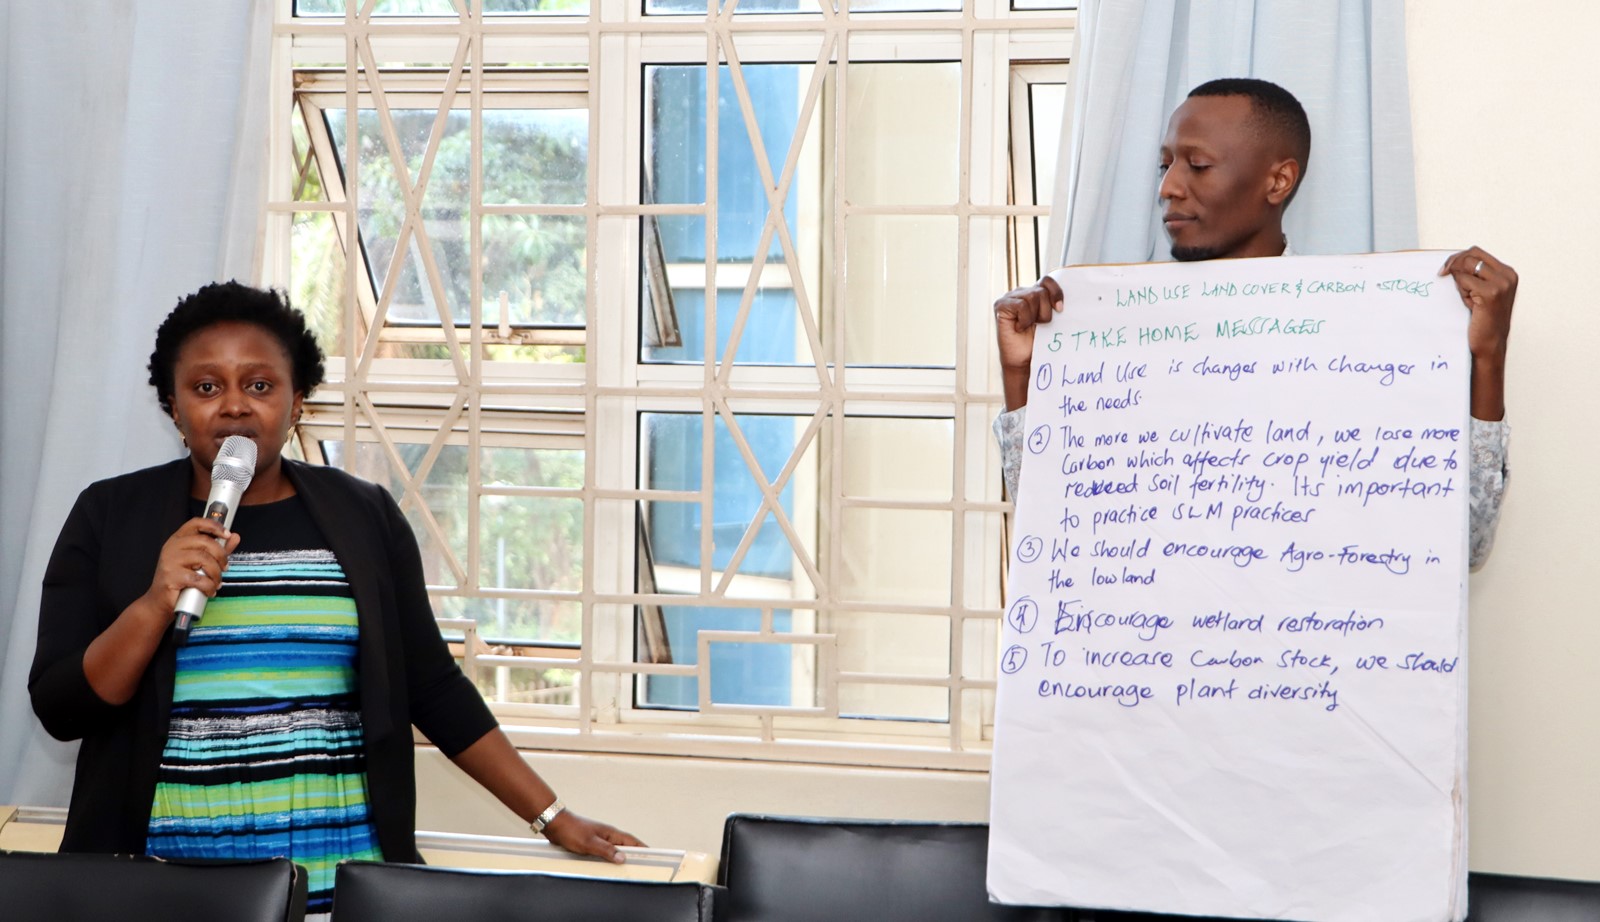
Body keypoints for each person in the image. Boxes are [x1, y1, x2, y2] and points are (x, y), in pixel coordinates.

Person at [29, 282, 642, 917]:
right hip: (168, 882)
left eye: (260, 386)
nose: (235, 407)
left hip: (336, 876)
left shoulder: (362, 514)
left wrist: (552, 815)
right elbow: (60, 707)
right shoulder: (110, 515)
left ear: (297, 403)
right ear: (173, 407)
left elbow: (431, 687)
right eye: (207, 388)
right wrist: (155, 603)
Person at [993, 78, 1515, 566]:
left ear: (1278, 181)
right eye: (1166, 166)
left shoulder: (1370, 337)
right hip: (1143, 648)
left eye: (1196, 164)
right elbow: (1053, 528)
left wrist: (1488, 357)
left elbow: (1463, 545)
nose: (1169, 187)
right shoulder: (1111, 334)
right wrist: (1021, 376)